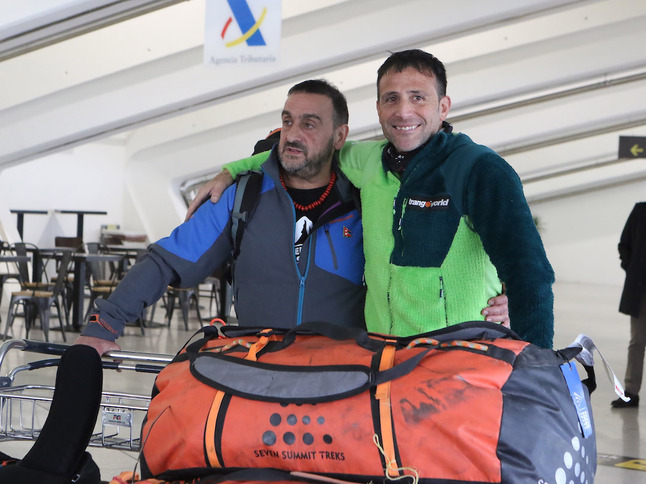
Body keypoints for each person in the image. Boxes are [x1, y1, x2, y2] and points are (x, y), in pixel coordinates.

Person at [190, 49, 551, 347]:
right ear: (378, 108)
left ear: (443, 107)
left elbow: (529, 274)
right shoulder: (368, 161)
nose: (403, 111)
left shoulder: (479, 170)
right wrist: (232, 170)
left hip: (457, 362)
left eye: (418, 98)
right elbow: (303, 152)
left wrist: (538, 369)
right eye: (391, 99)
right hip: (383, 359)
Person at [75, 79, 365, 355]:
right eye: (287, 121)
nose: (292, 134)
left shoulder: (364, 203)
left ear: (339, 136)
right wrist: (103, 325)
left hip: (341, 380)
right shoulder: (241, 197)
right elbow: (165, 261)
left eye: (309, 124)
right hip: (258, 376)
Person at [612, 202, 646, 408]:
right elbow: (624, 244)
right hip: (641, 289)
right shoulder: (640, 211)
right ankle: (631, 392)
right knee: (637, 342)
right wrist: (632, 268)